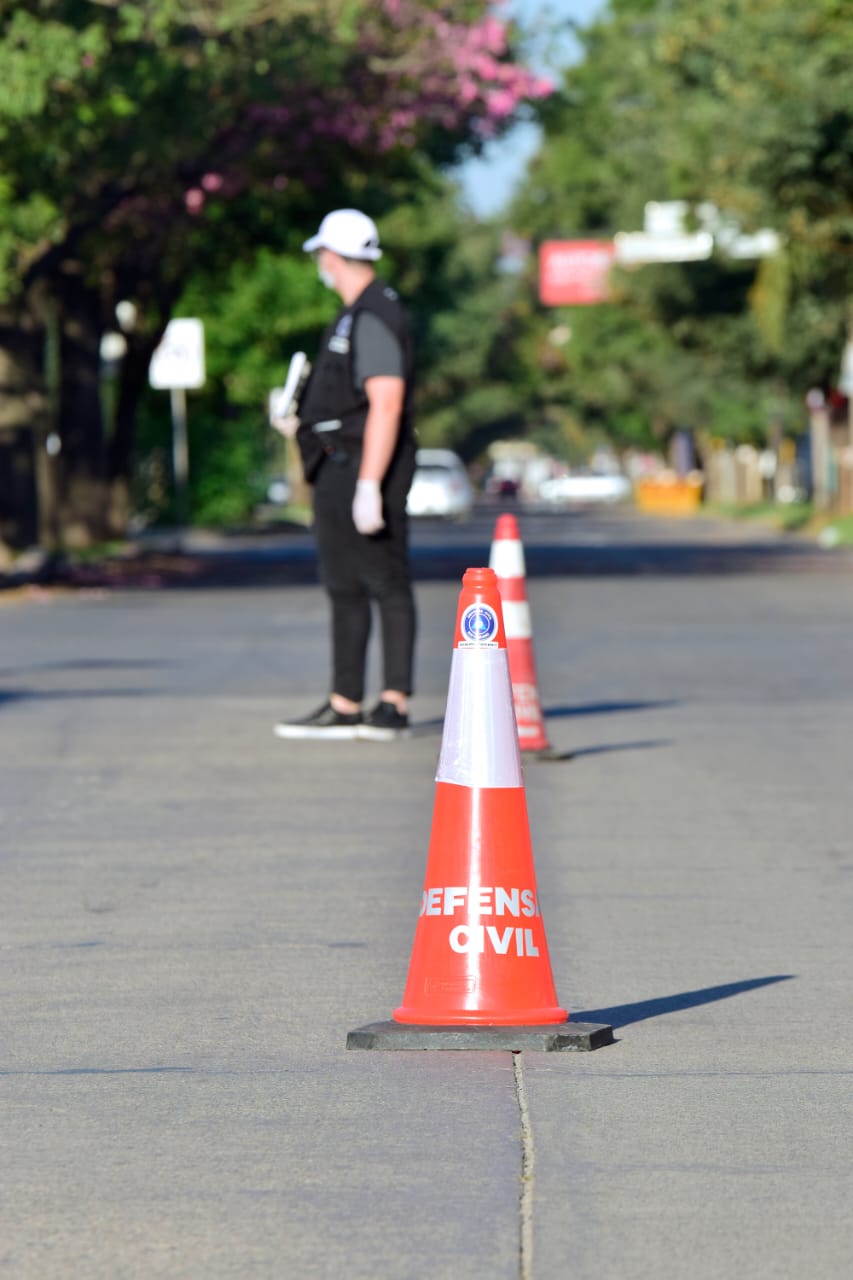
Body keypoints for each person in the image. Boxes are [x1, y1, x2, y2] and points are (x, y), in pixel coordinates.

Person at [273, 208, 417, 742]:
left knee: (384, 580)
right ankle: (346, 701)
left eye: (321, 255)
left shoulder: (375, 313)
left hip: (363, 466)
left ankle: (393, 704)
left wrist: (369, 485)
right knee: (345, 585)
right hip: (338, 463)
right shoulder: (353, 315)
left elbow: (386, 403)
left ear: (332, 255)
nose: (320, 264)